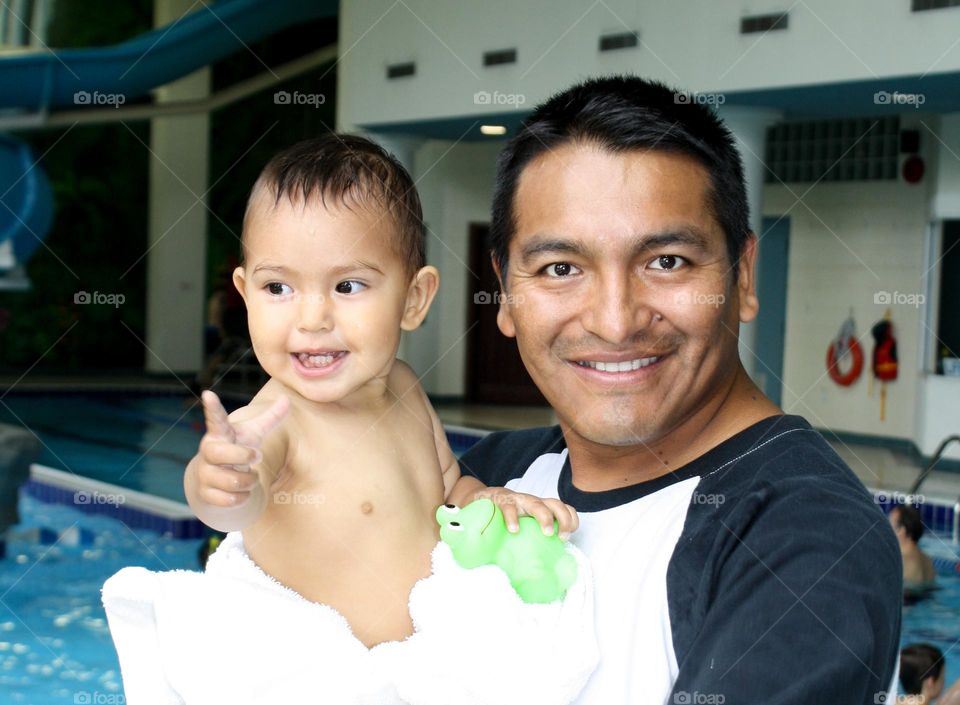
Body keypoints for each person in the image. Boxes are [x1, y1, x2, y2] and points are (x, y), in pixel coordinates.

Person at [102, 134, 595, 705]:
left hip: (412, 669)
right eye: (278, 287)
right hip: (324, 682)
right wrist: (219, 477)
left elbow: (447, 490)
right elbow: (230, 505)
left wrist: (491, 500)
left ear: (414, 298)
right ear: (245, 293)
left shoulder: (406, 390)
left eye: (348, 285)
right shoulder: (273, 420)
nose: (312, 317)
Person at [456, 75, 903, 704]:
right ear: (505, 291)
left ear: (743, 276)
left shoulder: (804, 540)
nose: (615, 321)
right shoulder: (485, 475)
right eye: (561, 268)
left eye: (666, 261)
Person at [889, 504, 936, 589]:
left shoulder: (903, 562)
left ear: (901, 530)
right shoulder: (926, 559)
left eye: (890, 523)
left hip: (907, 600)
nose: (886, 528)